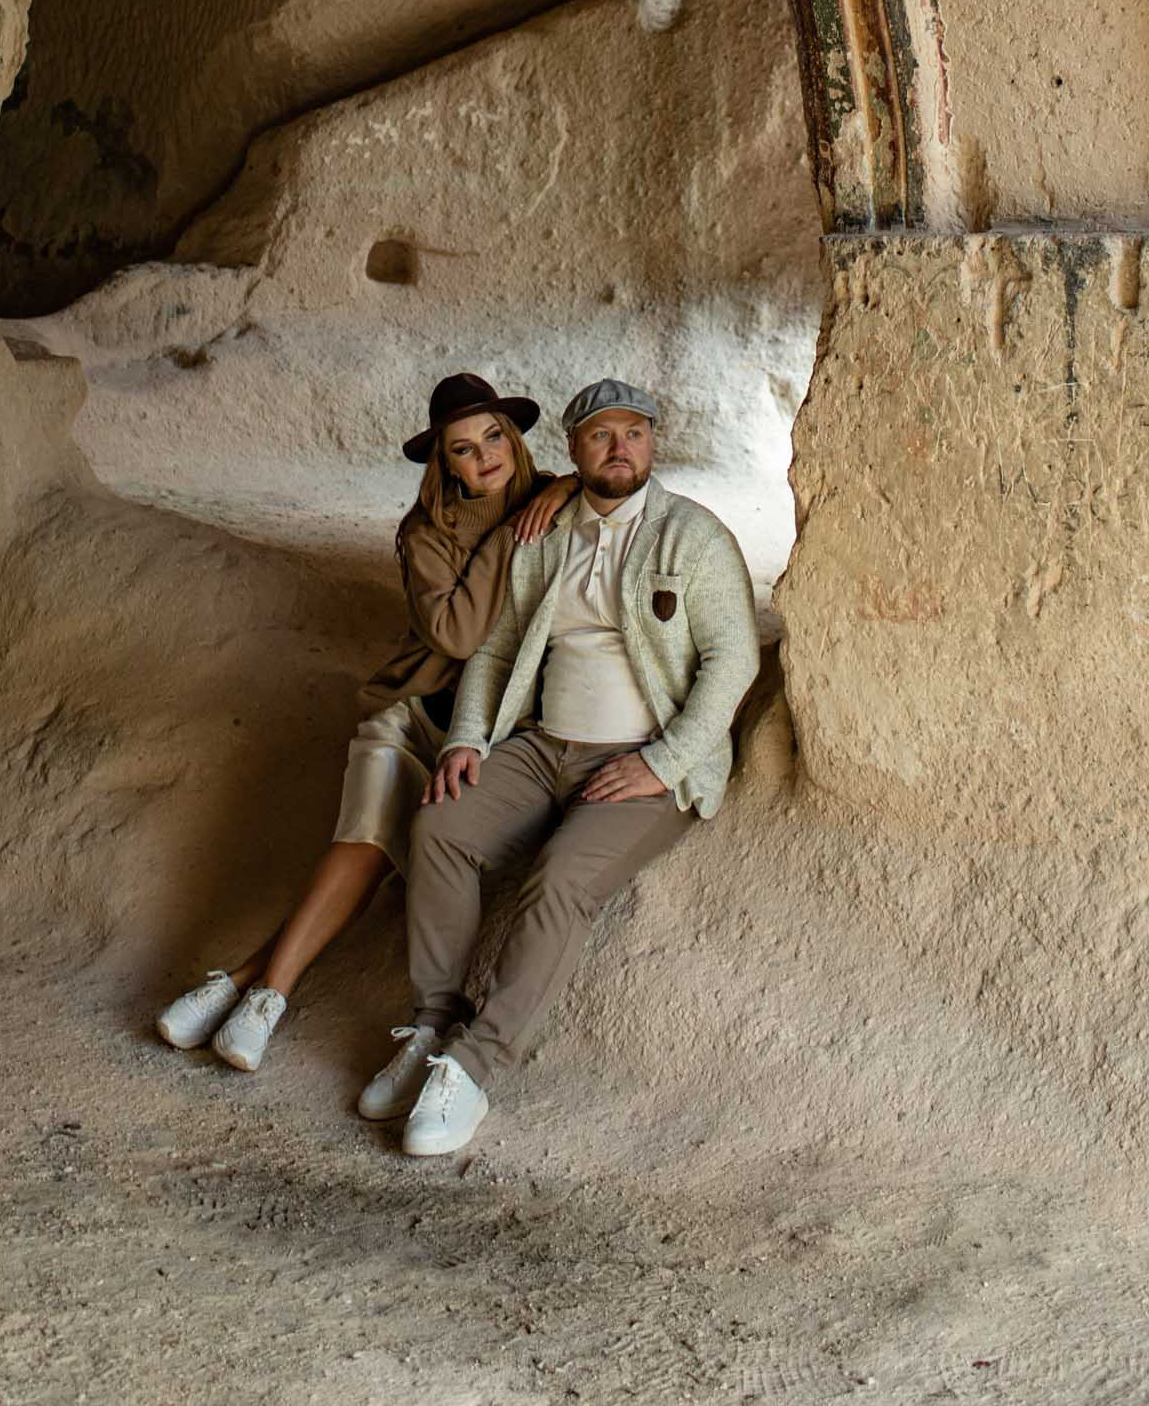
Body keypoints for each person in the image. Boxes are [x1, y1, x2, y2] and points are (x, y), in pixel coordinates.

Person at [370, 377, 760, 1157]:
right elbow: (500, 648)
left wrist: (665, 760)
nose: (620, 448)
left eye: (635, 434)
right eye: (601, 435)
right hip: (544, 744)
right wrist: (467, 740)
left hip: (643, 761)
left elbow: (732, 658)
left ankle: (473, 1066)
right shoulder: (545, 533)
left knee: (561, 878)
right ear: (572, 450)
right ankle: (431, 1023)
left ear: (653, 443)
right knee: (441, 823)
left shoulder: (695, 535)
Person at [154, 371, 575, 1082]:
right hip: (417, 713)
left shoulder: (554, 499)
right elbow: (462, 634)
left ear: (514, 437)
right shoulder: (425, 537)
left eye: (494, 437)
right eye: (464, 449)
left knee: (378, 855)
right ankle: (268, 1001)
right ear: (445, 464)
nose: (485, 457)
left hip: (488, 728)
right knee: (364, 842)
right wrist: (510, 535)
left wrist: (558, 491)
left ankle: (242, 985)